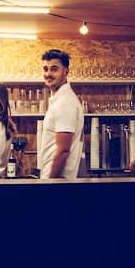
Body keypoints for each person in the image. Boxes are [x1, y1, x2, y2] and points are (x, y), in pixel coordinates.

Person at [39, 49, 84, 178]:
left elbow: (63, 151)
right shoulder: (59, 99)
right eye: (45, 69)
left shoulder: (65, 102)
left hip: (57, 181)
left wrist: (50, 183)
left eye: (54, 69)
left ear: (66, 72)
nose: (48, 74)